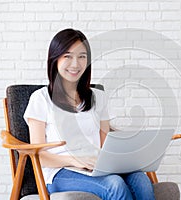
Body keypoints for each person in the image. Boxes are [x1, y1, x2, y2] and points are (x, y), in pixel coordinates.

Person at [23, 28, 155, 200]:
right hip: (61, 172)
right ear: (55, 59)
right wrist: (76, 160)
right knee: (114, 185)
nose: (75, 64)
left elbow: (105, 145)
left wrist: (127, 155)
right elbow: (39, 156)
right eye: (67, 56)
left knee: (140, 180)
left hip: (97, 167)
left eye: (82, 56)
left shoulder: (98, 97)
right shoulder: (40, 99)